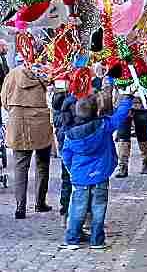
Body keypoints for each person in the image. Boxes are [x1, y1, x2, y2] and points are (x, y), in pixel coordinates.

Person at [61, 93, 134, 250]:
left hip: (80, 176)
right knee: (99, 207)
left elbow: (66, 155)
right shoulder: (103, 126)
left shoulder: (70, 134)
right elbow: (119, 117)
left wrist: (72, 170)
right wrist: (127, 100)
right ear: (96, 112)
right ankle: (97, 240)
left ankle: (72, 238)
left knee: (77, 208)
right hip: (100, 174)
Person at [1, 63, 53, 219]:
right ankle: (40, 202)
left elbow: (3, 100)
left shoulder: (12, 74)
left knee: (20, 167)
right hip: (41, 123)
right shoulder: (44, 75)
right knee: (43, 165)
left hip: (18, 123)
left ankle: (20, 207)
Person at [112, 68, 147, 177]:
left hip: (140, 105)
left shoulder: (142, 63)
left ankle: (146, 162)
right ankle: (123, 166)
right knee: (122, 135)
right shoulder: (118, 64)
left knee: (142, 135)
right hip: (123, 103)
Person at [52, 88, 77, 219]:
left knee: (66, 180)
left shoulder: (57, 101)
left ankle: (65, 212)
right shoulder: (72, 102)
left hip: (65, 147)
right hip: (74, 147)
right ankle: (72, 213)